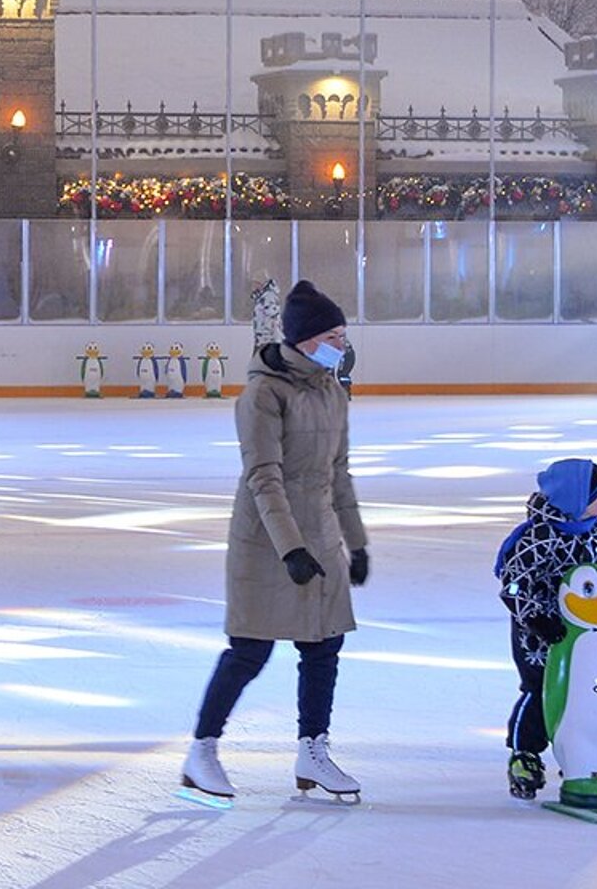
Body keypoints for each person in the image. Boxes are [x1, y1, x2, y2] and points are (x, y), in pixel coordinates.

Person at [180, 279, 368, 805]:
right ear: (306, 339)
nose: (343, 343)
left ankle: (312, 751)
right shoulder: (262, 393)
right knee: (250, 649)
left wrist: (355, 543)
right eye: (334, 334)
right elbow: (264, 476)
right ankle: (202, 751)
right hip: (266, 540)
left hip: (319, 535)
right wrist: (290, 550)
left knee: (324, 644)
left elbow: (339, 471)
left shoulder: (332, 390)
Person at [495, 456, 597, 801]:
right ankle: (525, 754)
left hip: (594, 629)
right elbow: (515, 583)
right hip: (542, 632)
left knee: (595, 689)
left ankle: (593, 758)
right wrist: (536, 619)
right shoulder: (539, 536)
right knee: (541, 689)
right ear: (578, 499)